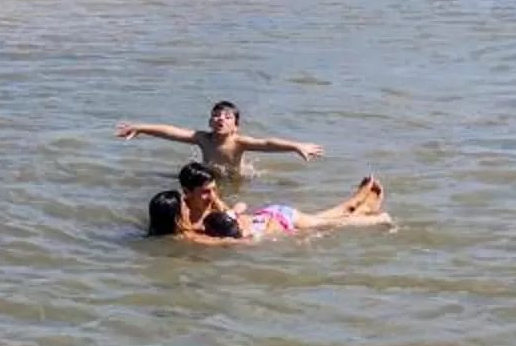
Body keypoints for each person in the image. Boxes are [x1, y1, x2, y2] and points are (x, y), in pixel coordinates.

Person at [145, 162, 390, 243]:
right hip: (268, 217)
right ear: (186, 192)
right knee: (323, 220)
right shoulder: (182, 216)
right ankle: (361, 205)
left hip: (270, 220)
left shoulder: (198, 217)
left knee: (327, 223)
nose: (211, 196)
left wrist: (236, 219)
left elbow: (231, 227)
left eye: (212, 190)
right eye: (206, 192)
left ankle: (370, 213)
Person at [116, 100, 321, 182]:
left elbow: (267, 143)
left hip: (234, 178)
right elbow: (171, 132)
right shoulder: (203, 139)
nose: (220, 119)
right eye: (216, 116)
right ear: (209, 121)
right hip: (210, 177)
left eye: (227, 117)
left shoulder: (240, 142)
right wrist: (141, 127)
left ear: (236, 125)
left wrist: (296, 146)